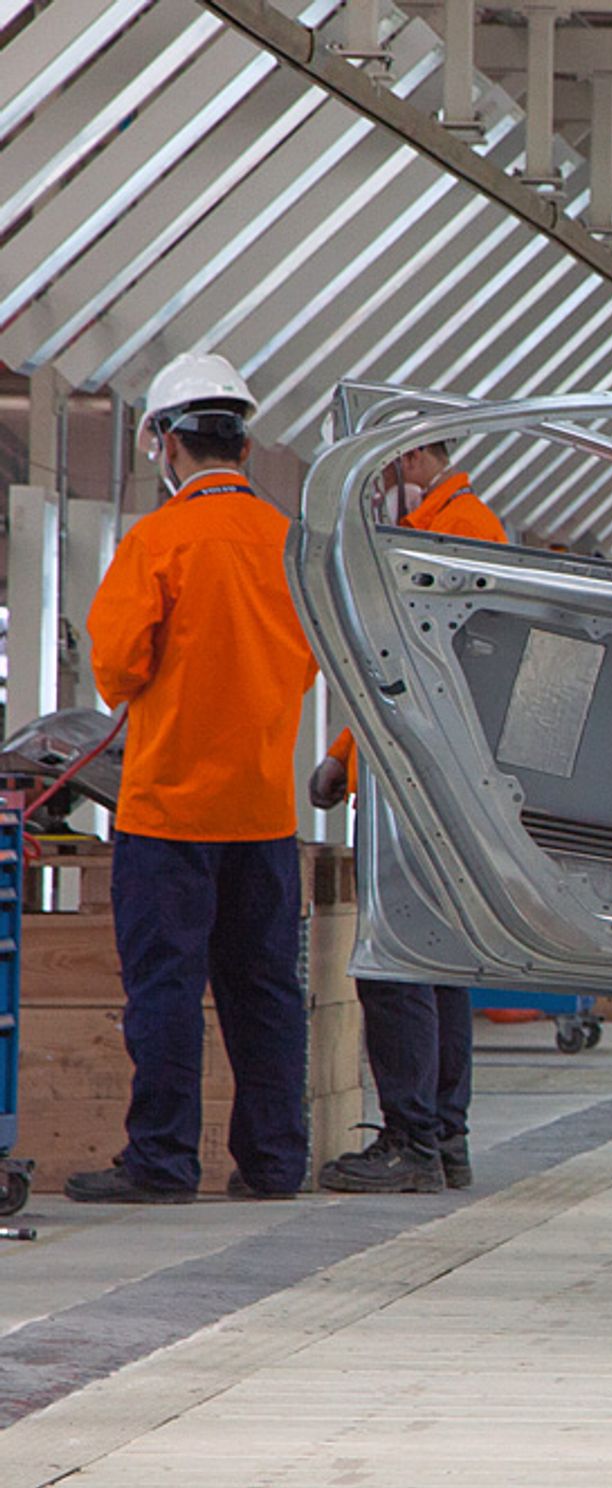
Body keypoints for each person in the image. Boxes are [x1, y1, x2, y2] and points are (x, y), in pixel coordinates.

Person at [65, 354, 319, 1204]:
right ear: (243, 446)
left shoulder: (157, 542)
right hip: (264, 810)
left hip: (171, 810)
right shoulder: (289, 543)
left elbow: (117, 670)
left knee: (166, 990)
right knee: (267, 993)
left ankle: (164, 1162)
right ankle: (275, 1162)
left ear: (166, 444)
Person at [305, 439, 508, 1195]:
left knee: (394, 964)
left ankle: (412, 1139)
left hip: (414, 775)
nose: (382, 486)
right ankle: (442, 1137)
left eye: (386, 467)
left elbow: (413, 664)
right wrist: (343, 751)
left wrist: (351, 754)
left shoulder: (450, 531)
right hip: (426, 770)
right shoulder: (457, 522)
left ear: (415, 454)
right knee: (440, 963)